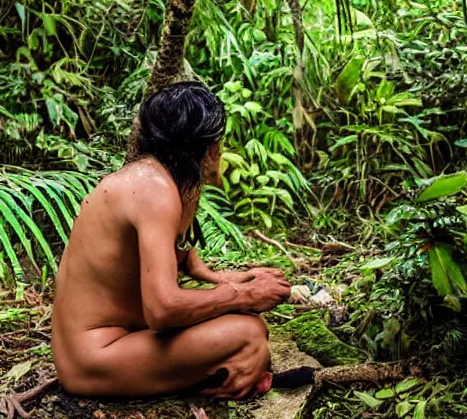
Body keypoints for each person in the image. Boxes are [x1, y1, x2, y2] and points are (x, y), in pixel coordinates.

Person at [51, 81, 291, 400]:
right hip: (93, 360)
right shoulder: (155, 191)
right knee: (248, 333)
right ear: (208, 149)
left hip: (94, 348)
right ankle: (228, 370)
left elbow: (163, 257)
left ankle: (227, 367)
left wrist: (219, 278)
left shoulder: (146, 177)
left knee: (247, 327)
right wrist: (243, 294)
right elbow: (162, 310)